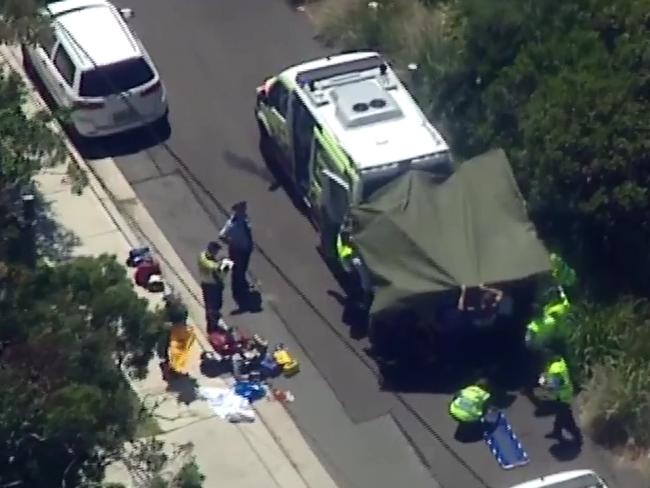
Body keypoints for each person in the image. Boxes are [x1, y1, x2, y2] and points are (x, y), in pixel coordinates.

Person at [538, 355, 582, 445]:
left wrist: (543, 385)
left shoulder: (555, 370)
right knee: (561, 415)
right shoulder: (561, 363)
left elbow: (554, 385)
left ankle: (577, 438)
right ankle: (557, 432)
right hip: (566, 394)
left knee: (567, 419)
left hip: (562, 397)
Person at [219, 201, 254, 305]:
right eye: (242, 208)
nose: (245, 209)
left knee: (243, 268)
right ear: (237, 210)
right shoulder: (232, 224)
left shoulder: (244, 218)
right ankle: (239, 291)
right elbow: (221, 235)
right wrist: (231, 243)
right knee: (238, 271)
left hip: (245, 248)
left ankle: (242, 284)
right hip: (238, 250)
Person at [197, 241, 233, 330]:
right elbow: (211, 266)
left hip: (216, 286)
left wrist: (225, 265)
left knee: (217, 305)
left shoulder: (213, 259)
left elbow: (220, 272)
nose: (217, 252)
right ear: (211, 249)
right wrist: (222, 264)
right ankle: (211, 328)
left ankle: (215, 324)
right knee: (211, 308)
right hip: (209, 286)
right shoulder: (203, 257)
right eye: (216, 250)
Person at [526, 286, 571, 351]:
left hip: (563, 336)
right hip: (562, 338)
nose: (550, 298)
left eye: (551, 296)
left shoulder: (552, 311)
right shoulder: (550, 313)